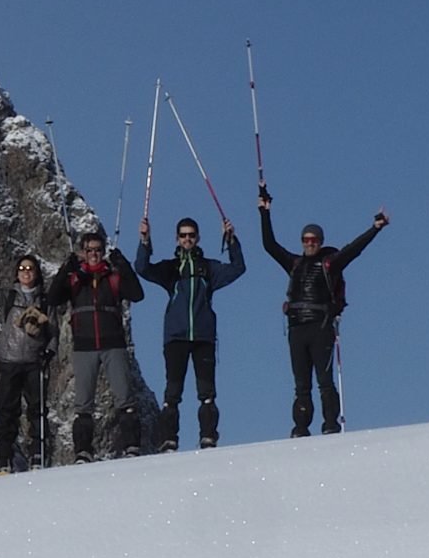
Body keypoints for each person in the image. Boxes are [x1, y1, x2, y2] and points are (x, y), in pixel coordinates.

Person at [258, 192, 390, 437]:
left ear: (320, 241)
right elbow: (269, 246)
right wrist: (264, 212)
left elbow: (354, 249)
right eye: (306, 239)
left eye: (314, 240)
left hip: (320, 327)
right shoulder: (294, 263)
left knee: (324, 380)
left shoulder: (331, 263)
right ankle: (301, 427)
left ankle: (330, 424)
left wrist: (375, 228)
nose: (310, 243)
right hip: (297, 328)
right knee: (301, 384)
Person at [133, 213, 247, 451]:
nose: (187, 239)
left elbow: (238, 268)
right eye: (183, 235)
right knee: (172, 391)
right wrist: (145, 241)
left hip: (203, 336)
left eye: (191, 235)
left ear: (198, 238)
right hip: (176, 337)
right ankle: (169, 439)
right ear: (177, 238)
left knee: (207, 391)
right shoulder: (172, 268)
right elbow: (142, 268)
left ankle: (208, 436)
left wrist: (231, 241)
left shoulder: (208, 268)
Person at [48, 226, 144, 461]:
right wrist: (65, 270)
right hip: (85, 346)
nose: (94, 254)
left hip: (113, 344)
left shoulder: (113, 276)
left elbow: (137, 294)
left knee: (124, 397)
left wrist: (124, 265)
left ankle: (132, 445)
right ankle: (83, 450)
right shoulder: (75, 280)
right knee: (84, 403)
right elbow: (52, 298)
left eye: (98, 250)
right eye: (89, 250)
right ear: (82, 252)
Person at [0, 240, 53, 471]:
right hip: (9, 361)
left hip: (33, 362)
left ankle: (38, 456)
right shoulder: (9, 297)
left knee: (36, 410)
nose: (26, 272)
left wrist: (50, 351)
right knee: (8, 411)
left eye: (30, 269)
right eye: (22, 269)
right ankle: (4, 459)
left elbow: (54, 329)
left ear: (37, 273)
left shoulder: (45, 300)